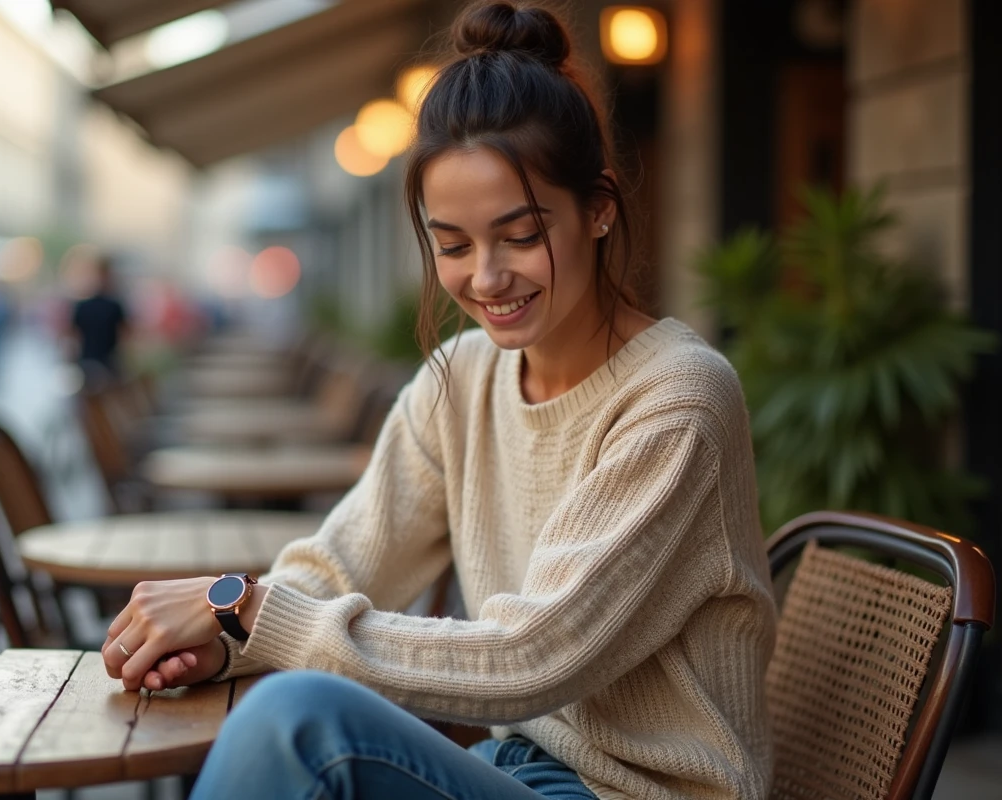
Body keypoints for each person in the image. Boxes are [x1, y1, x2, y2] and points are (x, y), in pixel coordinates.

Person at [101, 3, 776, 798]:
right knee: (284, 719)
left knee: (301, 727)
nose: (485, 278)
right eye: (452, 244)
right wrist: (224, 641)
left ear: (598, 209)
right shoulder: (463, 377)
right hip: (510, 768)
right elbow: (341, 564)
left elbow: (532, 657)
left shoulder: (677, 399)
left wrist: (248, 611)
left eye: (520, 236)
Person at [70, 254, 127, 383]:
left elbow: (73, 336)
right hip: (106, 363)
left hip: (90, 362)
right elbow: (125, 335)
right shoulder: (113, 305)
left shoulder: (82, 306)